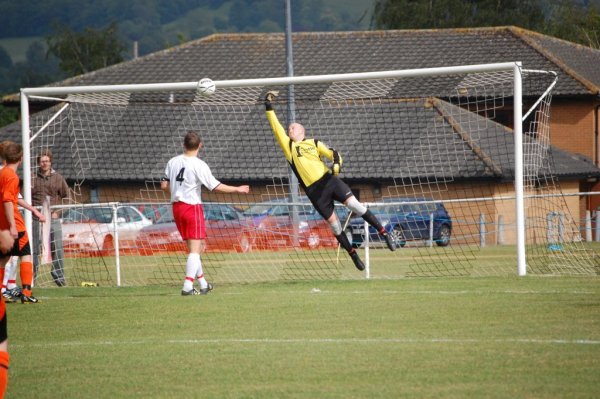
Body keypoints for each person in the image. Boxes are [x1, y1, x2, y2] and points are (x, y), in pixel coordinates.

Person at [263, 91, 396, 271]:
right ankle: (353, 255)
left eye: (292, 128)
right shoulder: (289, 147)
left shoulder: (314, 143)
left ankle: (384, 234)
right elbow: (275, 126)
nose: (289, 130)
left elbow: (334, 155)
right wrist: (268, 104)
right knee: (335, 226)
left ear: (302, 131)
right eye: (288, 129)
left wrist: (336, 166)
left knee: (356, 206)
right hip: (315, 193)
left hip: (329, 181)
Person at [161, 131, 250, 296]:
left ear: (183, 145)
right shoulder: (199, 164)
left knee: (195, 248)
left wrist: (177, 194)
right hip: (192, 208)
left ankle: (203, 284)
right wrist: (237, 188)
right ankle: (187, 286)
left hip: (177, 208)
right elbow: (215, 186)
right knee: (196, 249)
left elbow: (164, 186)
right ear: (200, 145)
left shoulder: (172, 161)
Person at [0, 141, 45, 303]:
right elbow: (7, 200)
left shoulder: (3, 173)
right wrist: (12, 225)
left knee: (3, 259)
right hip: (14, 225)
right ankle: (26, 292)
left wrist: (33, 210)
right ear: (20, 158)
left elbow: (13, 198)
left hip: (2, 225)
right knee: (25, 255)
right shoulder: (12, 177)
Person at [31, 149, 69, 287]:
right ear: (38, 163)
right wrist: (33, 212)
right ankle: (31, 279)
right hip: (35, 219)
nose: (44, 163)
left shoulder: (58, 178)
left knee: (57, 247)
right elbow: (25, 198)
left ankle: (59, 277)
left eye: (46, 161)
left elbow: (67, 198)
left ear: (50, 161)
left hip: (53, 218)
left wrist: (58, 212)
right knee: (34, 249)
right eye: (42, 161)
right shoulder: (32, 177)